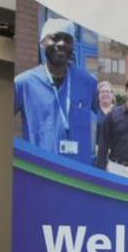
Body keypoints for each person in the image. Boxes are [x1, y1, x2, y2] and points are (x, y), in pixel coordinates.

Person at [14, 18, 99, 164]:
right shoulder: (24, 83)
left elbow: (107, 117)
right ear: (42, 43)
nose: (61, 44)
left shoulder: (88, 82)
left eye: (67, 39)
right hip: (40, 172)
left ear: (73, 46)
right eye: (55, 38)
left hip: (79, 174)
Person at [92, 80, 115, 162]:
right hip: (96, 153)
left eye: (108, 92)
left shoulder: (119, 112)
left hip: (115, 155)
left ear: (112, 95)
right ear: (98, 95)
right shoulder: (93, 112)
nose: (105, 94)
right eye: (102, 92)